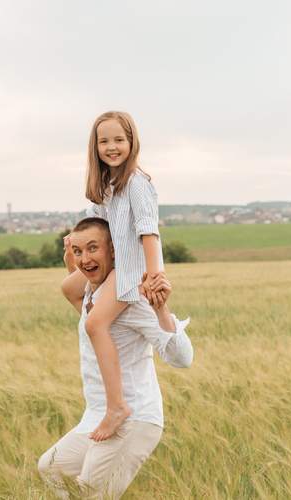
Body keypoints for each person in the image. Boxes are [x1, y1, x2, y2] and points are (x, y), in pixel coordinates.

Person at [38, 217, 193, 499]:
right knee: (52, 467)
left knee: (91, 492)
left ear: (113, 250)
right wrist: (71, 262)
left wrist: (162, 310)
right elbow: (73, 292)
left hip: (134, 418)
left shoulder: (131, 300)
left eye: (93, 248)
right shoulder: (92, 296)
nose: (85, 258)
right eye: (78, 251)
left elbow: (183, 359)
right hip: (97, 414)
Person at [62, 111, 169, 441]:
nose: (112, 147)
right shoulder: (106, 187)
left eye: (119, 140)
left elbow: (149, 232)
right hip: (111, 266)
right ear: (94, 147)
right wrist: (74, 241)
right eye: (104, 141)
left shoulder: (136, 183)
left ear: (132, 142)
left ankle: (116, 406)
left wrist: (153, 274)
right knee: (69, 288)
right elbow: (95, 226)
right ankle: (108, 328)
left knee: (95, 323)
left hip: (131, 270)